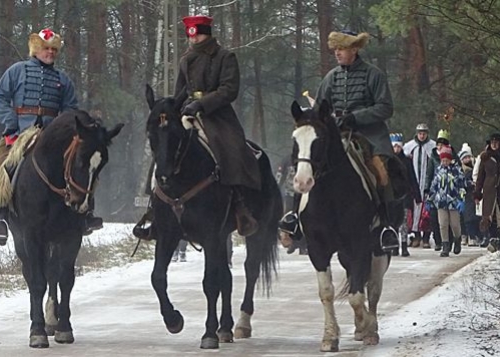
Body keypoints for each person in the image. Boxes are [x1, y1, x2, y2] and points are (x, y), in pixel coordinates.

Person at [135, 15, 259, 240]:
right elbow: (180, 91)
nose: (194, 39)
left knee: (230, 148)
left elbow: (229, 89)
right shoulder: (186, 59)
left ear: (207, 34)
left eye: (198, 34)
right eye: (191, 35)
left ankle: (240, 205)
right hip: (186, 113)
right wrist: (174, 109)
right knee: (165, 143)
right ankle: (155, 207)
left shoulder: (225, 57)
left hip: (217, 116)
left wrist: (202, 103)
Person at [279, 29, 404, 252]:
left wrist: (355, 117)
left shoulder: (374, 75)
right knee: (305, 163)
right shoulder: (331, 77)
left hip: (369, 134)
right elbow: (319, 110)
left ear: (354, 49)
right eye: (335, 49)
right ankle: (295, 217)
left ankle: (386, 227)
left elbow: (386, 108)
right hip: (335, 133)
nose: (337, 53)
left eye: (342, 49)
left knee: (381, 171)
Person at [0, 28, 101, 246]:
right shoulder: (16, 71)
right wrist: (10, 120)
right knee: (0, 166)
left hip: (53, 137)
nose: (50, 53)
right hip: (19, 133)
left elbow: (70, 110)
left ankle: (86, 213)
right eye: (46, 48)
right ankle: (0, 217)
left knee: (82, 165)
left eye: (53, 49)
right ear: (35, 50)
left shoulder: (63, 80)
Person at [473, 133, 500, 252]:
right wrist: (477, 193)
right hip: (489, 192)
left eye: (496, 142)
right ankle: (492, 240)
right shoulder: (485, 158)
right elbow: (480, 177)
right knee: (489, 217)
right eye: (492, 142)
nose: (494, 144)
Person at [427, 146, 468, 257]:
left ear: (450, 160)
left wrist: (462, 199)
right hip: (441, 201)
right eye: (443, 160)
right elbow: (434, 185)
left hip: (453, 201)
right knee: (443, 224)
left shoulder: (456, 170)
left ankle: (457, 239)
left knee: (454, 224)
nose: (444, 162)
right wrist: (430, 199)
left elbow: (462, 186)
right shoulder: (439, 170)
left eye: (446, 160)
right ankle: (445, 245)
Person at [402, 123, 436, 247]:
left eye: (424, 133)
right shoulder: (409, 146)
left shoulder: (432, 146)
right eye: (420, 133)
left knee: (426, 211)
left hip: (427, 183)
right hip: (414, 183)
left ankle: (426, 237)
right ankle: (416, 235)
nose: (422, 136)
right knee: (414, 211)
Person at [425, 129, 459, 251]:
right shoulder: (433, 157)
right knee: (437, 220)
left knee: (450, 221)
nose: (440, 146)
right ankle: (439, 241)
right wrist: (427, 190)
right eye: (439, 144)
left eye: (443, 144)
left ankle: (449, 242)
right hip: (437, 192)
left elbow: (459, 176)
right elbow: (429, 174)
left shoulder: (453, 157)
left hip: (450, 194)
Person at [391, 132, 421, 257]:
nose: (397, 149)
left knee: (403, 222)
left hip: (404, 195)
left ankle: (403, 245)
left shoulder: (407, 161)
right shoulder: (388, 160)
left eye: (398, 146)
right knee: (393, 222)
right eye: (395, 147)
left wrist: (417, 195)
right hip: (391, 196)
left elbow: (412, 178)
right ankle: (394, 246)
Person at [458, 143, 480, 246]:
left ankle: (474, 235)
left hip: (472, 195)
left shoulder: (475, 167)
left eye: (468, 157)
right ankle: (465, 235)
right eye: (465, 157)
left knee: (474, 217)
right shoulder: (460, 169)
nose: (467, 159)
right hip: (463, 196)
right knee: (464, 217)